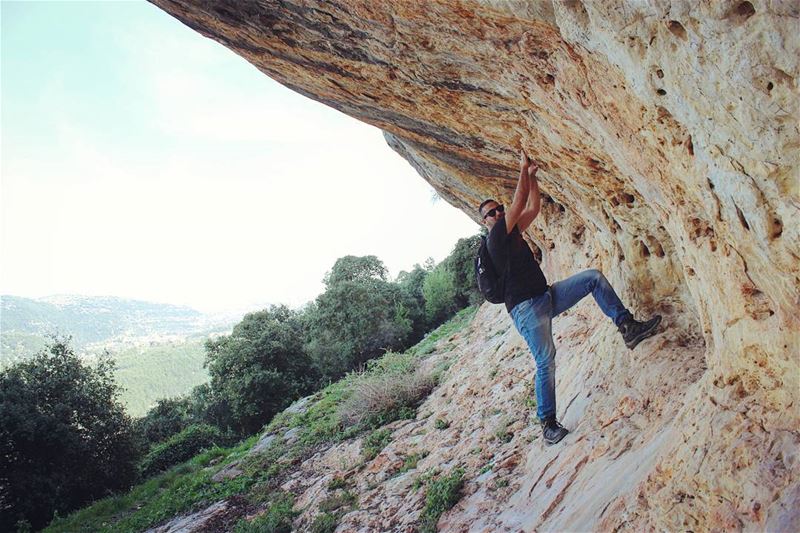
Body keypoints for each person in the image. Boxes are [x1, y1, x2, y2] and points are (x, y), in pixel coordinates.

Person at [480, 150, 661, 445]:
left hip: (546, 297)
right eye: (492, 213)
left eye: (498, 209)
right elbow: (519, 201)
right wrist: (523, 170)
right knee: (546, 361)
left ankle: (628, 327)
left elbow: (533, 207)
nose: (499, 213)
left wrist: (534, 177)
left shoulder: (513, 234)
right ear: (486, 222)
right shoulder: (495, 239)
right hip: (526, 310)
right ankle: (548, 424)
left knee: (593, 278)